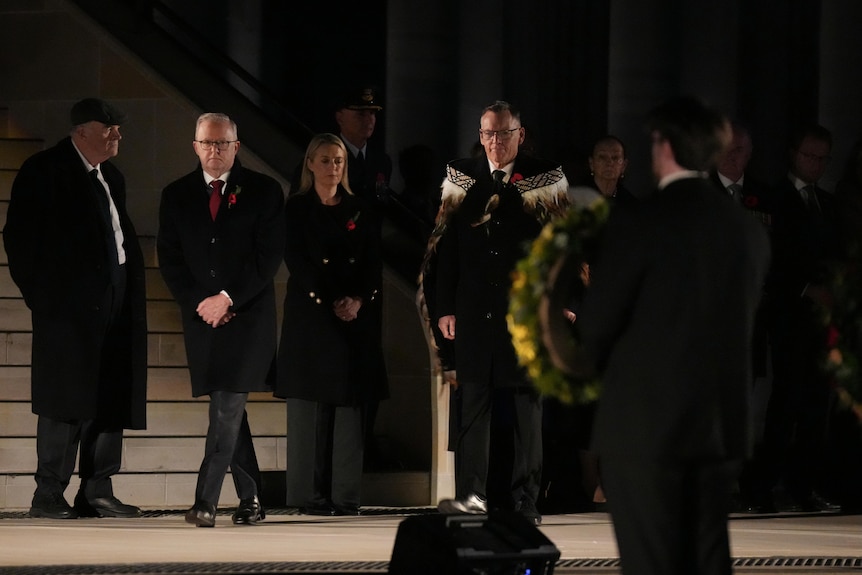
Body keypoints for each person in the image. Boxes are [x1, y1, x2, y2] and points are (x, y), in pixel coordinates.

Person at [578, 96, 770, 575]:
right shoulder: (747, 230)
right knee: (707, 556)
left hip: (645, 425)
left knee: (651, 561)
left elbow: (599, 323)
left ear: (664, 147)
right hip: (720, 425)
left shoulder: (640, 222)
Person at [3, 98, 148, 519]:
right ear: (81, 132)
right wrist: (45, 300)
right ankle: (48, 494)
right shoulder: (45, 170)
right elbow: (21, 240)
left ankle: (97, 489)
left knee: (110, 397)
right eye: (109, 128)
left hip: (115, 304)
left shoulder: (111, 176)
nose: (117, 135)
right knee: (64, 402)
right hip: (67, 311)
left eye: (118, 128)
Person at [431, 100, 570, 525]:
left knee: (527, 410)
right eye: (488, 134)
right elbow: (444, 247)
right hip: (474, 312)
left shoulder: (545, 178)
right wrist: (444, 308)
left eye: (503, 133)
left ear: (520, 135)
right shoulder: (461, 175)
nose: (494, 142)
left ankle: (525, 500)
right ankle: (472, 495)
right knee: (472, 405)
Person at [157, 112, 285, 527]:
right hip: (203, 319)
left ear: (236, 146)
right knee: (228, 408)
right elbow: (170, 260)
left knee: (228, 406)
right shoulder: (175, 194)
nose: (214, 151)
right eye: (207, 143)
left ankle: (205, 501)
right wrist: (202, 302)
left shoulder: (264, 191)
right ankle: (251, 500)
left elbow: (267, 260)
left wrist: (227, 298)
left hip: (247, 318)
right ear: (195, 146)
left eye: (222, 143)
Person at [276, 133, 388, 516]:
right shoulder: (296, 208)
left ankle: (345, 495)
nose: (332, 167)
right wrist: (329, 302)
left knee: (350, 408)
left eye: (338, 160)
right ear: (310, 164)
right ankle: (310, 496)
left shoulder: (361, 208)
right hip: (312, 317)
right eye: (324, 160)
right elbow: (297, 261)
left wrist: (356, 300)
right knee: (311, 409)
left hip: (354, 318)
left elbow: (374, 263)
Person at [743, 124, 843, 513]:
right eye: (809, 156)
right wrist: (804, 288)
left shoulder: (828, 203)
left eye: (822, 158)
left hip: (823, 320)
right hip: (789, 317)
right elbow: (771, 261)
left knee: (818, 405)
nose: (816, 164)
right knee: (786, 404)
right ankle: (763, 486)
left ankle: (804, 486)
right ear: (793, 154)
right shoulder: (774, 199)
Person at [334, 86, 393, 204]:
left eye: (372, 113)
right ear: (340, 117)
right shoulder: (325, 157)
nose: (368, 120)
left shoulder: (381, 161)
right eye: (360, 114)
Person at [579, 135, 636, 203]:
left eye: (615, 158)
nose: (609, 163)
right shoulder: (576, 198)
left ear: (623, 166)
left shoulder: (629, 203)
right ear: (591, 163)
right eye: (602, 157)